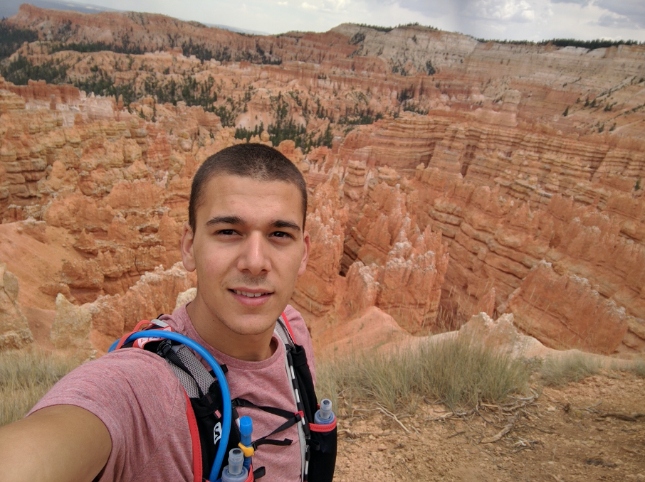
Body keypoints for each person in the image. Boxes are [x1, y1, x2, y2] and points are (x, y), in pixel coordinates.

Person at [0, 143, 315, 482]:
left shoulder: (291, 330)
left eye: (279, 234)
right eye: (228, 232)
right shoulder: (145, 386)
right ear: (188, 246)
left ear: (304, 253)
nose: (255, 262)